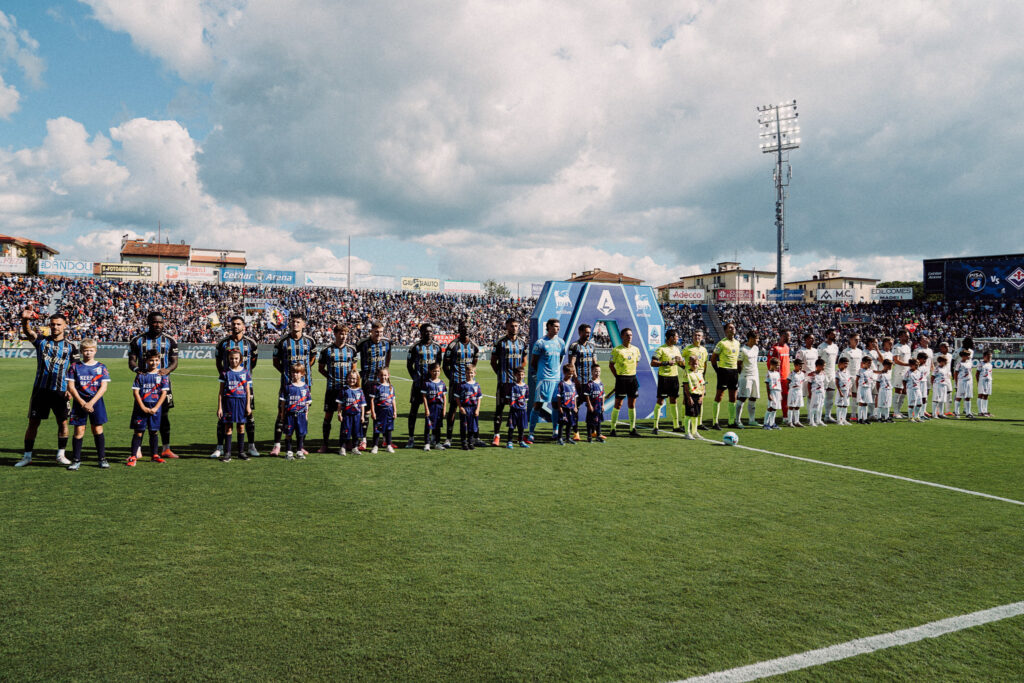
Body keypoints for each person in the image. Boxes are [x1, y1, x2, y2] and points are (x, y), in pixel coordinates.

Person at [17, 308, 78, 468]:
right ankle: (27, 456)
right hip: (40, 390)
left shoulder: (71, 347)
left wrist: (71, 389)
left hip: (61, 391)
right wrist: (25, 320)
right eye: (52, 324)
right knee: (33, 423)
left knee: (63, 423)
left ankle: (60, 454)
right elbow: (29, 332)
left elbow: (76, 369)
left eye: (58, 324)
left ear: (65, 326)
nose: (55, 327)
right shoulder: (42, 341)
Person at [128, 311, 179, 459]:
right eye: (155, 322)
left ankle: (166, 448)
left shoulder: (170, 340)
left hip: (163, 385)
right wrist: (138, 370)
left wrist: (167, 370)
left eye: (160, 322)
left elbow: (174, 361)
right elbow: (131, 361)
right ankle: (137, 449)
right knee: (142, 414)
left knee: (164, 415)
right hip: (144, 385)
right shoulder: (138, 340)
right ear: (149, 322)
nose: (158, 325)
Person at [213, 316, 259, 459]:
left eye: (239, 324)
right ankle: (220, 448)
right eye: (233, 324)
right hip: (228, 385)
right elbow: (218, 362)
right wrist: (225, 375)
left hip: (244, 385)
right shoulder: (223, 343)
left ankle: (250, 446)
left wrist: (244, 376)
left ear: (243, 326)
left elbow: (253, 362)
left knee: (248, 415)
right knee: (223, 419)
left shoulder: (251, 343)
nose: (236, 326)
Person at [271, 313, 316, 456]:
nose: (295, 324)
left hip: (305, 385)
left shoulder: (310, 341)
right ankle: (277, 445)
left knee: (302, 415)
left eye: (298, 322)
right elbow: (275, 362)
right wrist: (287, 374)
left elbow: (312, 359)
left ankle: (300, 446)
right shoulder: (282, 341)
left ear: (304, 324)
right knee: (282, 413)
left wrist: (303, 375)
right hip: (287, 385)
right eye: (293, 322)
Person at [65, 339, 110, 470]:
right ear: (81, 351)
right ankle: (76, 460)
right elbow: (71, 387)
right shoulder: (74, 367)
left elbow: (104, 387)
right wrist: (82, 402)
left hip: (96, 402)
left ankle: (102, 458)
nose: (88, 353)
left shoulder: (101, 367)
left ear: (95, 351)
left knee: (97, 429)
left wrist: (91, 402)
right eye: (85, 350)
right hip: (80, 402)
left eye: (91, 350)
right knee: (79, 431)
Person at [318, 323, 358, 452]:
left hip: (347, 391)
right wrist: (330, 378)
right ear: (335, 334)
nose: (344, 336)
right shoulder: (326, 350)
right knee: (328, 416)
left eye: (346, 334)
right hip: (332, 389)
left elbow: (354, 371)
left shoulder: (352, 350)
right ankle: (325, 444)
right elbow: (321, 369)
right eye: (341, 333)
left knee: (347, 417)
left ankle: (347, 442)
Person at [491, 318, 528, 446]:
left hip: (517, 384)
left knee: (518, 410)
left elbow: (524, 361)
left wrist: (519, 375)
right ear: (507, 326)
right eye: (512, 326)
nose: (514, 328)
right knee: (499, 409)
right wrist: (501, 374)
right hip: (503, 383)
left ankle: (519, 437)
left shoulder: (522, 343)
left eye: (517, 326)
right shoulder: (500, 343)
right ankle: (496, 436)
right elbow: (493, 361)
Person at [129, 350, 169, 466]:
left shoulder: (162, 375)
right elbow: (136, 393)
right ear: (146, 361)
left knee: (154, 431)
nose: (154, 362)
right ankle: (133, 456)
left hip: (155, 408)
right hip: (141, 407)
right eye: (151, 360)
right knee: (138, 432)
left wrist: (156, 407)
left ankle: (155, 455)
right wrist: (142, 407)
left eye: (156, 360)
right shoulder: (141, 375)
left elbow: (163, 394)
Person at [443, 322, 480, 448]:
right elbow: (445, 365)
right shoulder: (452, 345)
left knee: (473, 409)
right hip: (456, 383)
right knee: (453, 409)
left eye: (468, 328)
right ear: (459, 330)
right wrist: (452, 379)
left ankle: (475, 437)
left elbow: (474, 363)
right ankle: (449, 438)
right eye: (463, 328)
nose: (466, 330)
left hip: (469, 384)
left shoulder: (474, 346)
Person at [528, 318, 565, 442]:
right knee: (538, 405)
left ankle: (555, 431)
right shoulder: (540, 343)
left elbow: (559, 359)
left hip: (556, 379)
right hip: (544, 379)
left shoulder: (561, 342)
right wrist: (539, 374)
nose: (557, 329)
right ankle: (531, 432)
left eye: (558, 327)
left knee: (556, 404)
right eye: (554, 326)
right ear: (548, 327)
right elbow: (533, 362)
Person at [406, 323, 442, 448]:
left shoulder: (437, 347)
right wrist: (415, 378)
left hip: (432, 386)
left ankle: (433, 438)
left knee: (434, 412)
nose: (429, 333)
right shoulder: (415, 347)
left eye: (431, 331)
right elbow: (409, 365)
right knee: (413, 412)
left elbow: (438, 364)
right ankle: (411, 438)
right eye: (426, 331)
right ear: (421, 333)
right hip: (418, 385)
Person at [357, 321, 392, 450]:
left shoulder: (387, 343)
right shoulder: (363, 343)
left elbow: (388, 355)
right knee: (366, 411)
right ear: (371, 331)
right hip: (368, 381)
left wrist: (386, 371)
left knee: (383, 409)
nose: (379, 334)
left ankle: (383, 440)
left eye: (381, 332)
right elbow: (353, 356)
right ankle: (364, 440)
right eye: (376, 331)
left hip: (382, 382)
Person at [217, 348, 253, 462]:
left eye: (236, 358)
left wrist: (248, 406)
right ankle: (227, 453)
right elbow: (221, 393)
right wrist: (220, 407)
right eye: (231, 358)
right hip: (229, 402)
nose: (234, 361)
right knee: (228, 428)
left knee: (241, 427)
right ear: (228, 359)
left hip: (241, 402)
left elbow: (248, 391)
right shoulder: (225, 373)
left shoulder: (245, 372)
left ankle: (241, 452)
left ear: (240, 359)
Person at [566, 323, 597, 441]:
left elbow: (595, 363)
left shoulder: (591, 346)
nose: (588, 334)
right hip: (578, 383)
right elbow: (571, 363)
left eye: (589, 332)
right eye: (586, 332)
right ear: (580, 332)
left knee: (592, 407)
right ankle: (576, 432)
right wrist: (575, 378)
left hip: (590, 382)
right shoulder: (574, 346)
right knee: (575, 408)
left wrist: (596, 378)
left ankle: (592, 430)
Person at [609, 327, 642, 437]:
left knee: (632, 404)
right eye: (627, 335)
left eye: (631, 335)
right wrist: (618, 377)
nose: (629, 337)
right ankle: (613, 429)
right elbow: (611, 365)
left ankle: (632, 429)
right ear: (622, 336)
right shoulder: (616, 350)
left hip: (632, 379)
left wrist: (631, 372)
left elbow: (636, 362)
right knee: (618, 404)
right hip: (621, 379)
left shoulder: (636, 349)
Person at [651, 329, 683, 435]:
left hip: (674, 377)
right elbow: (653, 362)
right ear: (671, 338)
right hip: (664, 378)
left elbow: (681, 364)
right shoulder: (661, 349)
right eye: (676, 336)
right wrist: (666, 363)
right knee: (660, 401)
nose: (678, 338)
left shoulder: (677, 349)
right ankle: (655, 426)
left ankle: (676, 426)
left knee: (674, 401)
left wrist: (681, 362)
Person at [710, 322, 740, 430]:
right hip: (724, 371)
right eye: (730, 328)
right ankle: (715, 422)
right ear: (726, 330)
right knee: (719, 396)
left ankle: (731, 422)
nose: (732, 329)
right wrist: (718, 371)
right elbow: (713, 359)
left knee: (733, 397)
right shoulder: (721, 343)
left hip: (734, 372)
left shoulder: (737, 343)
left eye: (733, 327)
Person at [281, 363, 312, 460]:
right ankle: (289, 452)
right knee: (288, 433)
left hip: (301, 414)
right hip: (290, 414)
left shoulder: (305, 387)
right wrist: (282, 414)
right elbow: (283, 402)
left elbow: (307, 402)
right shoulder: (287, 387)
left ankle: (299, 451)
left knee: (300, 433)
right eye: (293, 372)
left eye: (298, 372)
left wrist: (306, 413)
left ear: (302, 374)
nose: (295, 374)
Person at [681, 330, 709, 429]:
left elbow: (705, 364)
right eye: (695, 335)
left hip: (700, 377)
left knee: (700, 400)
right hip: (690, 377)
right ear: (693, 336)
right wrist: (686, 369)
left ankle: (699, 423)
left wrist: (703, 376)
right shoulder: (688, 349)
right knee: (687, 399)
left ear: (702, 337)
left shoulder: (704, 350)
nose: (697, 337)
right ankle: (684, 423)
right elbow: (681, 360)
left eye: (699, 335)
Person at [735, 330, 760, 429]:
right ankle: (738, 420)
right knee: (742, 398)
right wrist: (743, 375)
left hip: (755, 375)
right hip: (746, 376)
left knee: (753, 397)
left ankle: (752, 420)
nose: (758, 340)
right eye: (756, 338)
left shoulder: (756, 348)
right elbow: (738, 365)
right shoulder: (743, 350)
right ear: (751, 338)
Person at [337, 370, 366, 456]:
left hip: (357, 415)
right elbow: (339, 403)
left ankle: (355, 447)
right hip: (347, 415)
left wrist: (362, 416)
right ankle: (342, 448)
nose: (351, 380)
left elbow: (362, 405)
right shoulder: (344, 390)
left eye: (353, 378)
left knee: (356, 432)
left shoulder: (360, 391)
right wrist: (339, 413)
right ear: (347, 378)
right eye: (349, 378)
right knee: (345, 432)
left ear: (357, 379)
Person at [368, 367, 397, 454]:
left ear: (388, 375)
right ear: (378, 375)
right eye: (381, 375)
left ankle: (388, 445)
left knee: (388, 429)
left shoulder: (391, 387)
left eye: (385, 375)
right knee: (377, 429)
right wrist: (372, 412)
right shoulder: (375, 386)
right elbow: (372, 400)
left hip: (389, 411)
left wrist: (395, 411)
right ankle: (375, 446)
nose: (383, 377)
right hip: (379, 411)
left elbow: (393, 400)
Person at [421, 363, 447, 451]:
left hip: (439, 407)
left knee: (438, 426)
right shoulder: (427, 383)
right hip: (430, 407)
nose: (436, 373)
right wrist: (426, 408)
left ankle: (437, 443)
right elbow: (424, 396)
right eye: (434, 371)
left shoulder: (442, 383)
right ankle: (427, 443)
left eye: (438, 371)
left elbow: (444, 397)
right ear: (430, 371)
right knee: (428, 426)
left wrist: (444, 409)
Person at [457, 365, 483, 450]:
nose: (469, 374)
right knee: (464, 426)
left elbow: (479, 398)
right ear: (465, 374)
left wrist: (478, 409)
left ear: (475, 373)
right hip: (465, 408)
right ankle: (464, 443)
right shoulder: (461, 385)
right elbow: (457, 397)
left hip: (474, 408)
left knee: (472, 426)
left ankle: (470, 442)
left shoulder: (477, 385)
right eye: (468, 373)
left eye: (471, 373)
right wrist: (460, 407)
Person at [767, 329, 791, 419]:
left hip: (786, 377)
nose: (790, 337)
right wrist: (772, 375)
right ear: (783, 336)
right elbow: (769, 363)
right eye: (788, 335)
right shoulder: (775, 348)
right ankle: (769, 419)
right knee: (774, 398)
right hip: (777, 378)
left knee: (785, 396)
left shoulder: (787, 347)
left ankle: (785, 417)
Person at [840, 333, 864, 421]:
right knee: (846, 396)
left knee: (856, 395)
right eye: (855, 339)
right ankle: (842, 415)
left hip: (858, 376)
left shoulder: (860, 351)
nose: (857, 341)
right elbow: (841, 364)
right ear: (850, 340)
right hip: (848, 377)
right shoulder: (845, 351)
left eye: (858, 340)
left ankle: (854, 414)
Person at [817, 330, 840, 422]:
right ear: (827, 335)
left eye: (835, 334)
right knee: (821, 396)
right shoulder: (821, 347)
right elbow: (817, 360)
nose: (835, 336)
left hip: (832, 374)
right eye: (833, 334)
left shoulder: (835, 347)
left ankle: (827, 415)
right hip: (823, 374)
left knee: (830, 396)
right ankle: (817, 417)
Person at [682, 355, 706, 440]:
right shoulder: (687, 373)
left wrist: (702, 397)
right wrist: (689, 398)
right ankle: (687, 433)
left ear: (698, 363)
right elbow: (685, 387)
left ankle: (694, 432)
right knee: (689, 414)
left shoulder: (700, 373)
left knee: (696, 415)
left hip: (698, 396)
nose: (694, 365)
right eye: (692, 363)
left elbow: (703, 386)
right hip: (691, 396)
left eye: (696, 363)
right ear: (689, 363)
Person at [506, 367, 530, 448]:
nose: (520, 376)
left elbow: (526, 398)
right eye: (519, 374)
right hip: (514, 410)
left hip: (522, 410)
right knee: (511, 426)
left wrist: (524, 407)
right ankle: (509, 441)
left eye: (522, 374)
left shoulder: (526, 386)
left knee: (521, 427)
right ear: (515, 375)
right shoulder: (512, 386)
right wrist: (512, 406)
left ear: (524, 375)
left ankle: (521, 441)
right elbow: (508, 397)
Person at [554, 365, 579, 446]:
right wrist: (560, 407)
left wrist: (575, 406)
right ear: (564, 372)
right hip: (564, 407)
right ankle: (559, 438)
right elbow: (558, 397)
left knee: (570, 423)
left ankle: (568, 438)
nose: (571, 375)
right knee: (562, 423)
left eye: (572, 373)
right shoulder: (561, 384)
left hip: (571, 407)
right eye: (569, 373)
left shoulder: (572, 384)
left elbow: (574, 396)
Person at [891, 330, 912, 419]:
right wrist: (908, 364)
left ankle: (899, 411)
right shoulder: (896, 347)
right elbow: (896, 360)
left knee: (904, 391)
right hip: (899, 372)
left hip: (907, 372)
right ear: (900, 337)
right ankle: (895, 412)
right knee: (898, 390)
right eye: (906, 336)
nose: (908, 337)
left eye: (908, 336)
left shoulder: (907, 347)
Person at [583, 365, 606, 443]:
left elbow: (603, 395)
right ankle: (589, 437)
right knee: (590, 422)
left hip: (599, 406)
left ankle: (598, 436)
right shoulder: (590, 384)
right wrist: (589, 405)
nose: (597, 373)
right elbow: (587, 396)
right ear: (592, 372)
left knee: (598, 422)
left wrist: (603, 405)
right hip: (592, 407)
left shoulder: (601, 384)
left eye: (599, 371)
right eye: (596, 371)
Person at [807, 358, 828, 427]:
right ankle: (811, 421)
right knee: (813, 406)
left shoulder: (823, 374)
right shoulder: (812, 374)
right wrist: (810, 393)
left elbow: (825, 382)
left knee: (820, 407)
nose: (824, 367)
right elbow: (809, 384)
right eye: (823, 366)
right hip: (815, 393)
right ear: (818, 366)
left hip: (822, 393)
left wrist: (824, 390)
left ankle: (819, 420)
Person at [954, 349, 974, 418]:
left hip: (969, 382)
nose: (969, 356)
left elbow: (970, 372)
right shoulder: (959, 364)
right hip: (962, 382)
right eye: (967, 355)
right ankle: (956, 412)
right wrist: (956, 383)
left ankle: (968, 413)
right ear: (963, 356)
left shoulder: (969, 363)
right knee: (959, 397)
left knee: (968, 397)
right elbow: (956, 373)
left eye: (969, 355)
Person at [786, 358, 807, 427]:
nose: (801, 367)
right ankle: (789, 422)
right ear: (795, 365)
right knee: (791, 406)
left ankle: (796, 421)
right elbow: (787, 383)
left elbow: (802, 382)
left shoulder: (802, 374)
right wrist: (790, 390)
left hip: (799, 391)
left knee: (798, 406)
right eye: (799, 365)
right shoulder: (792, 374)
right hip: (793, 391)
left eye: (801, 365)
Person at [855, 356, 875, 424]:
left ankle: (865, 418)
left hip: (868, 388)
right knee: (861, 403)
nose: (869, 364)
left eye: (870, 363)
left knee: (866, 403)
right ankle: (859, 419)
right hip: (861, 388)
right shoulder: (860, 370)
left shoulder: (871, 371)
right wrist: (858, 389)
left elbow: (870, 380)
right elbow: (857, 380)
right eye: (868, 363)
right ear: (863, 363)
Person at [763, 358, 782, 430]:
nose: (778, 367)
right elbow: (767, 384)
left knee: (775, 408)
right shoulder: (769, 373)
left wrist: (780, 394)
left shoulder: (777, 373)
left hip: (778, 391)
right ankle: (765, 424)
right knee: (770, 407)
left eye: (779, 365)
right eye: (777, 365)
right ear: (772, 365)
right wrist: (769, 394)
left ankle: (772, 423)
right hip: (772, 391)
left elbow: (779, 383)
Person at [931, 355, 953, 419]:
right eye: (944, 361)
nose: (946, 362)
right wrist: (934, 385)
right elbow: (932, 377)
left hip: (944, 385)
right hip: (938, 385)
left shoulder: (946, 368)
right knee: (936, 399)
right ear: (940, 362)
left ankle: (941, 413)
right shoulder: (937, 369)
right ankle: (934, 414)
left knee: (943, 400)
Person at [834, 356, 853, 426]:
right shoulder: (837, 372)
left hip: (847, 391)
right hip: (841, 391)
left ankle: (844, 419)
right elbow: (836, 382)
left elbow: (850, 382)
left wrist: (850, 391)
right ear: (840, 363)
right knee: (840, 405)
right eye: (845, 363)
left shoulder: (848, 372)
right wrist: (839, 391)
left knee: (845, 405)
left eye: (847, 364)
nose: (846, 365)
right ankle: (839, 420)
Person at [875, 358, 894, 422]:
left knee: (888, 404)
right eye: (889, 365)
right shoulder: (881, 374)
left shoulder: (889, 373)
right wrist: (878, 391)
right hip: (883, 390)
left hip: (889, 390)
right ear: (885, 365)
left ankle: (887, 417)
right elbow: (877, 382)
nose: (891, 367)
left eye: (891, 365)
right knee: (880, 404)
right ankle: (879, 417)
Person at [976, 349, 994, 417]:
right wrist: (978, 382)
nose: (990, 358)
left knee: (986, 396)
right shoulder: (981, 363)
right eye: (988, 357)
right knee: (981, 395)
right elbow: (977, 374)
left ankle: (985, 411)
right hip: (982, 381)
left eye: (991, 357)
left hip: (988, 381)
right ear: (984, 356)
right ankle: (980, 412)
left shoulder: (990, 364)